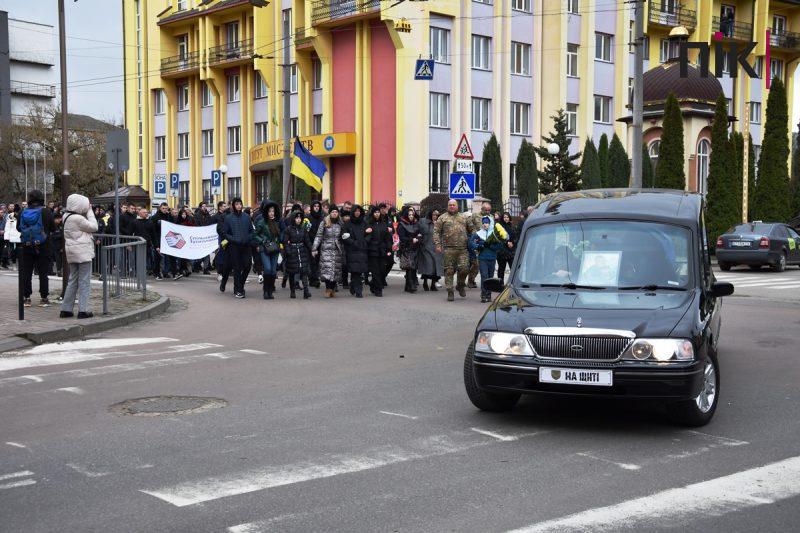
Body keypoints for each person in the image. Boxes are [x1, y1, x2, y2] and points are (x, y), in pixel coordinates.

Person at [59, 194, 99, 319]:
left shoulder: (66, 216)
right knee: (84, 281)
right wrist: (90, 211)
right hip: (83, 252)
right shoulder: (78, 218)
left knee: (72, 280)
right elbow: (94, 227)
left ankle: (66, 309)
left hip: (72, 251)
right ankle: (83, 310)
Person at [18, 190, 55, 307]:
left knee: (26, 272)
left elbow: (19, 228)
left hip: (27, 246)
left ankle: (26, 298)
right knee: (43, 273)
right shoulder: (46, 211)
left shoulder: (23, 211)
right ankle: (44, 298)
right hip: (43, 246)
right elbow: (53, 228)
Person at [433, 199, 476, 301]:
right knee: (449, 271)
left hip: (463, 249)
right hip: (448, 249)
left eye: (454, 205)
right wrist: (438, 244)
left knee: (465, 269)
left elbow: (473, 230)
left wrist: (473, 241)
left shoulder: (464, 217)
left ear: (457, 206)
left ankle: (460, 285)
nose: (452, 206)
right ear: (448, 206)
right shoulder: (442, 218)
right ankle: (450, 291)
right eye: (450, 205)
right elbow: (436, 232)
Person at [470, 215, 508, 303]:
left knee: (490, 277)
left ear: (490, 223)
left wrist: (491, 246)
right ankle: (483, 294)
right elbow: (471, 243)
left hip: (492, 258)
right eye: (483, 223)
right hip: (482, 258)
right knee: (484, 276)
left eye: (486, 223)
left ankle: (489, 295)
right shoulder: (478, 233)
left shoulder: (494, 233)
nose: (485, 224)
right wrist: (479, 246)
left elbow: (500, 245)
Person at [221, 197, 254, 298]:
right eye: (237, 204)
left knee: (248, 266)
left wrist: (248, 238)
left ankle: (241, 285)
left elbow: (251, 231)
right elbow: (225, 233)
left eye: (240, 204)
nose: (239, 206)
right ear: (233, 206)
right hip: (234, 246)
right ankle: (238, 290)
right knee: (237, 268)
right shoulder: (228, 218)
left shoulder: (246, 217)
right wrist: (234, 239)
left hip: (246, 245)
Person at [312, 204, 344, 298]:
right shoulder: (324, 222)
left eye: (336, 212)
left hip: (337, 249)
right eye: (333, 212)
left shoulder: (340, 223)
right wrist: (314, 248)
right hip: (326, 249)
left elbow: (343, 236)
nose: (334, 213)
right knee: (327, 270)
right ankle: (328, 288)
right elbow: (318, 236)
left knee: (336, 270)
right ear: (329, 213)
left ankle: (333, 288)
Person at [254, 200, 281, 299]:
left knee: (273, 271)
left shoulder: (277, 222)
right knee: (268, 269)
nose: (271, 213)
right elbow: (255, 235)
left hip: (274, 249)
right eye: (270, 211)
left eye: (273, 211)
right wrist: (263, 240)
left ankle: (270, 291)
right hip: (264, 248)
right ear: (266, 212)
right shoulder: (261, 222)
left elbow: (281, 234)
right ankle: (265, 291)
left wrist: (279, 240)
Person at [283, 210, 313, 299]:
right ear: (293, 219)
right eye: (297, 218)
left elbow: (307, 241)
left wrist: (312, 249)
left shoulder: (303, 229)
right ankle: (292, 291)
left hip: (302, 251)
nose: (298, 220)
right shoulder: (288, 229)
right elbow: (285, 242)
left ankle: (306, 291)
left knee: (304, 272)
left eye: (300, 218)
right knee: (292, 273)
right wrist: (288, 251)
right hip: (292, 252)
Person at [341, 204, 369, 298]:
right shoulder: (347, 224)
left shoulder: (364, 223)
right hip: (352, 250)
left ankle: (353, 286)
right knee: (355, 271)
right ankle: (359, 291)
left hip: (362, 249)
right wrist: (353, 243)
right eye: (355, 211)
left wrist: (365, 242)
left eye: (359, 211)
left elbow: (369, 233)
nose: (357, 213)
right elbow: (344, 236)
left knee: (358, 270)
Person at [366, 205, 392, 297]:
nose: (377, 214)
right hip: (372, 250)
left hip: (382, 249)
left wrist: (388, 247)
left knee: (382, 269)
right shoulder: (368, 223)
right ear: (372, 213)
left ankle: (373, 284)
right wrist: (366, 232)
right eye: (375, 212)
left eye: (378, 212)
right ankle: (378, 289)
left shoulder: (383, 223)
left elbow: (388, 238)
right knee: (375, 271)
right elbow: (365, 236)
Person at [398, 206, 422, 293]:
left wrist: (418, 237)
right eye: (409, 215)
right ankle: (411, 285)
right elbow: (402, 237)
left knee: (413, 267)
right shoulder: (402, 224)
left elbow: (419, 233)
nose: (411, 216)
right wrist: (411, 239)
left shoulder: (416, 223)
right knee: (409, 267)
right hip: (406, 248)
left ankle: (408, 285)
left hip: (415, 248)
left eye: (412, 215)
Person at [469, 201, 493, 288]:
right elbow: (469, 224)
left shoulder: (491, 217)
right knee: (476, 264)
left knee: (482, 264)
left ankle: (477, 281)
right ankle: (471, 280)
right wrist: (473, 232)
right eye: (486, 210)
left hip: (486, 243)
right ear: (482, 209)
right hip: (477, 242)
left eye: (489, 210)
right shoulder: (475, 215)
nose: (487, 212)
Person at [418, 208, 443, 291]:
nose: (435, 216)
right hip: (426, 247)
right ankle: (425, 282)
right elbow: (418, 231)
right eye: (433, 215)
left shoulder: (440, 224)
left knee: (436, 267)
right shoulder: (423, 222)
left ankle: (433, 284)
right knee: (428, 265)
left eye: (436, 215)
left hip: (436, 248)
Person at [307, 200, 324, 288]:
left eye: (318, 206)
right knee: (312, 261)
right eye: (315, 206)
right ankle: (313, 279)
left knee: (318, 262)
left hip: (320, 242)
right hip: (311, 242)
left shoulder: (322, 217)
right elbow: (306, 230)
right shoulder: (308, 217)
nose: (317, 208)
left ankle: (316, 278)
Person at [496, 212, 516, 281]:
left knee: (513, 268)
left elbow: (515, 237)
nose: (506, 219)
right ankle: (500, 284)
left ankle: (512, 283)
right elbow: (498, 237)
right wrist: (507, 242)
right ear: (502, 218)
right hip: (502, 251)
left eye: (507, 217)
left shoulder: (512, 226)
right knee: (501, 269)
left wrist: (512, 242)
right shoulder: (499, 226)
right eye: (504, 217)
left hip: (511, 251)